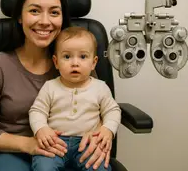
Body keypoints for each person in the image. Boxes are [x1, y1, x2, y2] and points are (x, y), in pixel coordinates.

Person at [0, 0, 111, 171]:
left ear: (62, 18)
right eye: (35, 11)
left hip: (69, 151)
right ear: (20, 16)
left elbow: (102, 107)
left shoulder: (77, 62)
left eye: (54, 12)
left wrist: (101, 134)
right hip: (11, 154)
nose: (45, 21)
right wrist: (29, 144)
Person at [29, 26, 121, 171]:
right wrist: (41, 129)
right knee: (43, 167)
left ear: (94, 62)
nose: (75, 63)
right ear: (56, 62)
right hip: (55, 143)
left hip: (87, 143)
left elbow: (113, 110)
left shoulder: (100, 87)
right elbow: (37, 111)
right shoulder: (50, 87)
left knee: (99, 168)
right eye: (67, 57)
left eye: (83, 57)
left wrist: (107, 129)